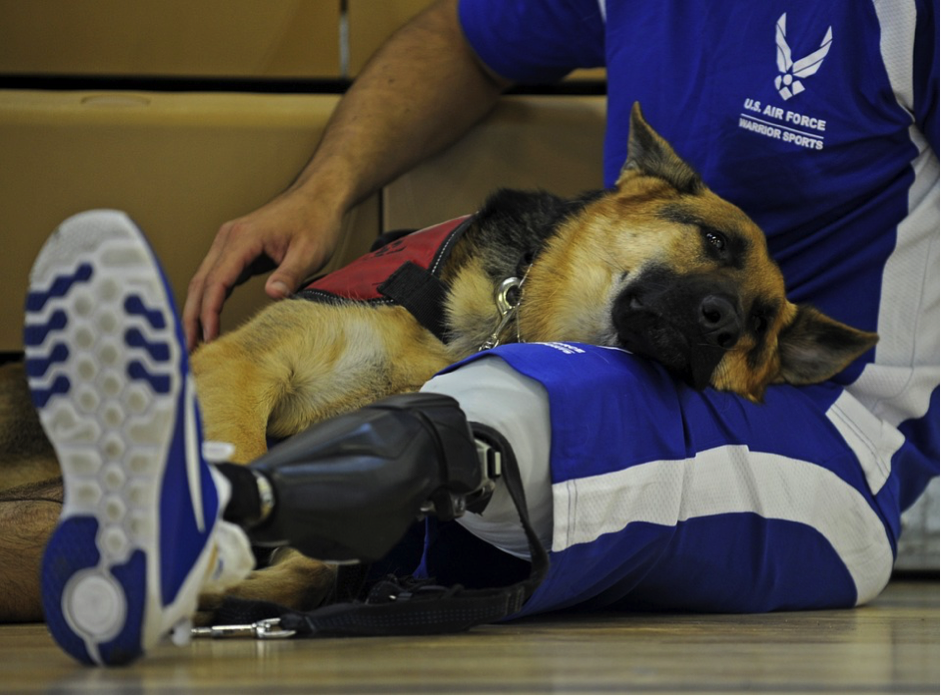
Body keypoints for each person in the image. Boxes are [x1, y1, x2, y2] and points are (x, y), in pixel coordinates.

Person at [6, 0, 937, 667]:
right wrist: (320, 192)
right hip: (588, 363)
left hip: (823, 431)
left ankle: (213, 514)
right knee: (478, 391)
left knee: (520, 407)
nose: (716, 296)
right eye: (704, 250)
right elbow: (465, 36)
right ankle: (178, 535)